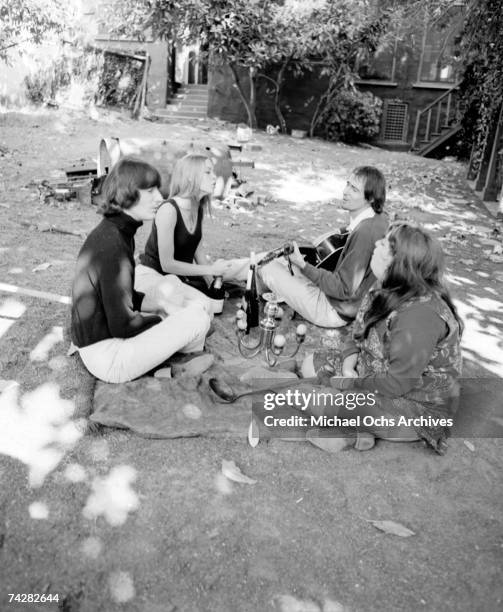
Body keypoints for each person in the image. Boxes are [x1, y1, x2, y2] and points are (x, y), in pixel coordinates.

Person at [301, 223, 463, 454]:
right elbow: (357, 332)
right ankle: (357, 430)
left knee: (328, 402)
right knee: (310, 364)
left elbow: (397, 384)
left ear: (399, 264)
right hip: (374, 371)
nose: (376, 244)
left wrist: (349, 384)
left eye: (384, 244)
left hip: (413, 404)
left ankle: (350, 429)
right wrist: (348, 366)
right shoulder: (386, 285)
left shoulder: (419, 317)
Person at [70, 157, 212, 384]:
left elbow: (123, 296)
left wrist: (161, 305)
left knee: (177, 303)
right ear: (128, 193)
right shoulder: (113, 245)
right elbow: (123, 325)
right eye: (150, 191)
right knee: (198, 316)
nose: (160, 197)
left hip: (100, 342)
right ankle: (176, 359)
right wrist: (160, 319)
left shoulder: (116, 232)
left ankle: (169, 360)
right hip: (109, 358)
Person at [259, 166, 388, 328]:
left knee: (266, 265)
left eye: (354, 189)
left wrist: (303, 265)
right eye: (347, 184)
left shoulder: (365, 233)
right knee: (281, 263)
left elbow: (343, 289)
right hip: (345, 303)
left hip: (332, 310)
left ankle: (254, 301)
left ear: (370, 199)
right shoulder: (379, 218)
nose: (345, 191)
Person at [136, 153, 244, 314]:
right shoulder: (168, 210)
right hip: (153, 275)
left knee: (222, 284)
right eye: (208, 172)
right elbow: (167, 264)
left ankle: (262, 265)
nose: (214, 177)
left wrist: (211, 284)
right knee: (203, 308)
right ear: (190, 177)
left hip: (179, 277)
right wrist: (211, 271)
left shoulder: (197, 208)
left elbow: (198, 253)